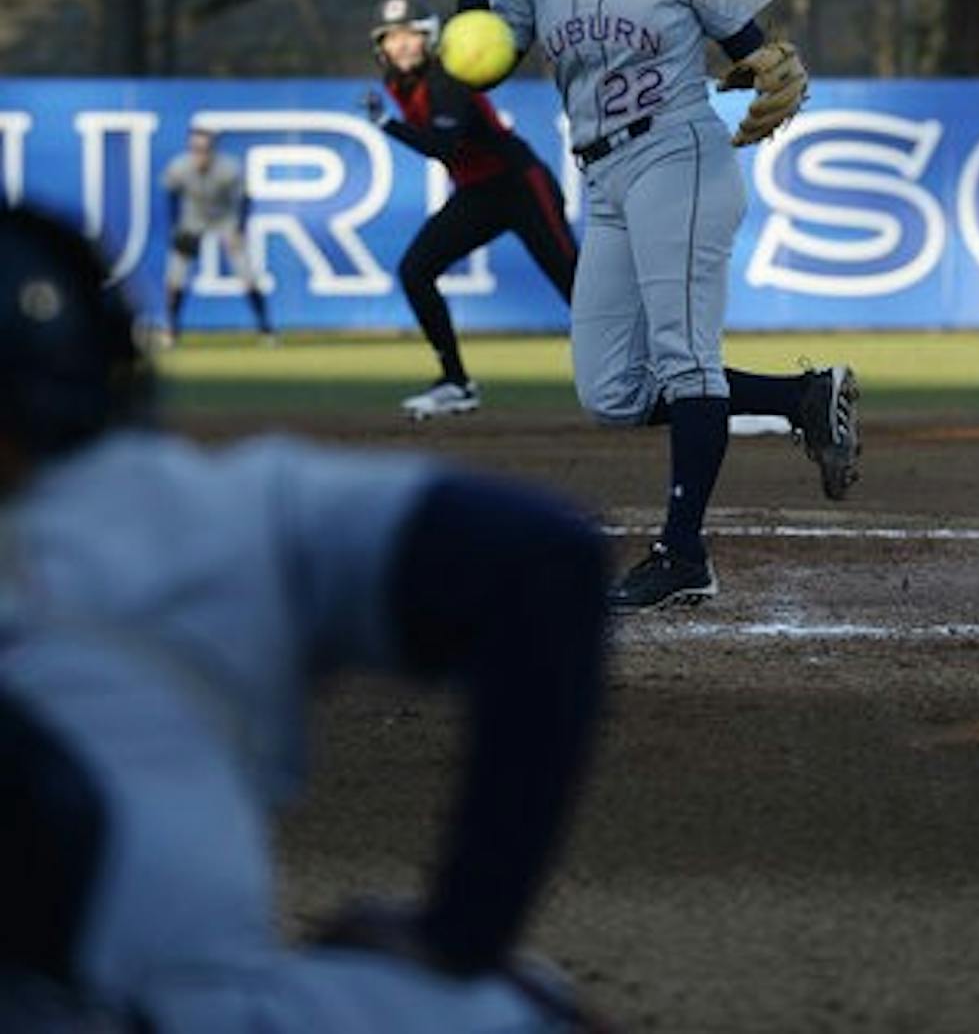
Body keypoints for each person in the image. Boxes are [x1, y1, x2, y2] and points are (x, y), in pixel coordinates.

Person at [0, 203, 612, 1031]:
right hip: (170, 1005)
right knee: (526, 1007)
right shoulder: (196, 508)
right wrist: (464, 933)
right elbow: (544, 562)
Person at [457, 0, 861, 610]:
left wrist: (767, 65)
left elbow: (756, 44)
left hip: (677, 155)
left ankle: (683, 552)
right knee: (611, 390)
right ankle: (801, 399)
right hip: (602, 178)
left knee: (684, 358)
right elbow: (480, 69)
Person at [362, 0, 578, 420]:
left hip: (520, 185)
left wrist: (386, 124)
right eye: (392, 37)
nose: (401, 45)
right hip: (478, 193)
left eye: (410, 35)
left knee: (576, 286)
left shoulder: (447, 77)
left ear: (429, 38)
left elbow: (442, 145)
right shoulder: (398, 82)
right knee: (415, 271)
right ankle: (456, 382)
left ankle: (655, 374)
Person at [160, 125, 275, 346]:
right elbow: (171, 196)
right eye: (196, 149)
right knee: (176, 276)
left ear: (213, 149)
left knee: (246, 273)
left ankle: (266, 329)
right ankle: (171, 330)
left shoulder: (228, 167)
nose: (200, 154)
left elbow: (244, 199)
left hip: (225, 219)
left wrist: (240, 230)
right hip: (192, 220)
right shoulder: (180, 166)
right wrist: (175, 228)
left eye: (204, 149)